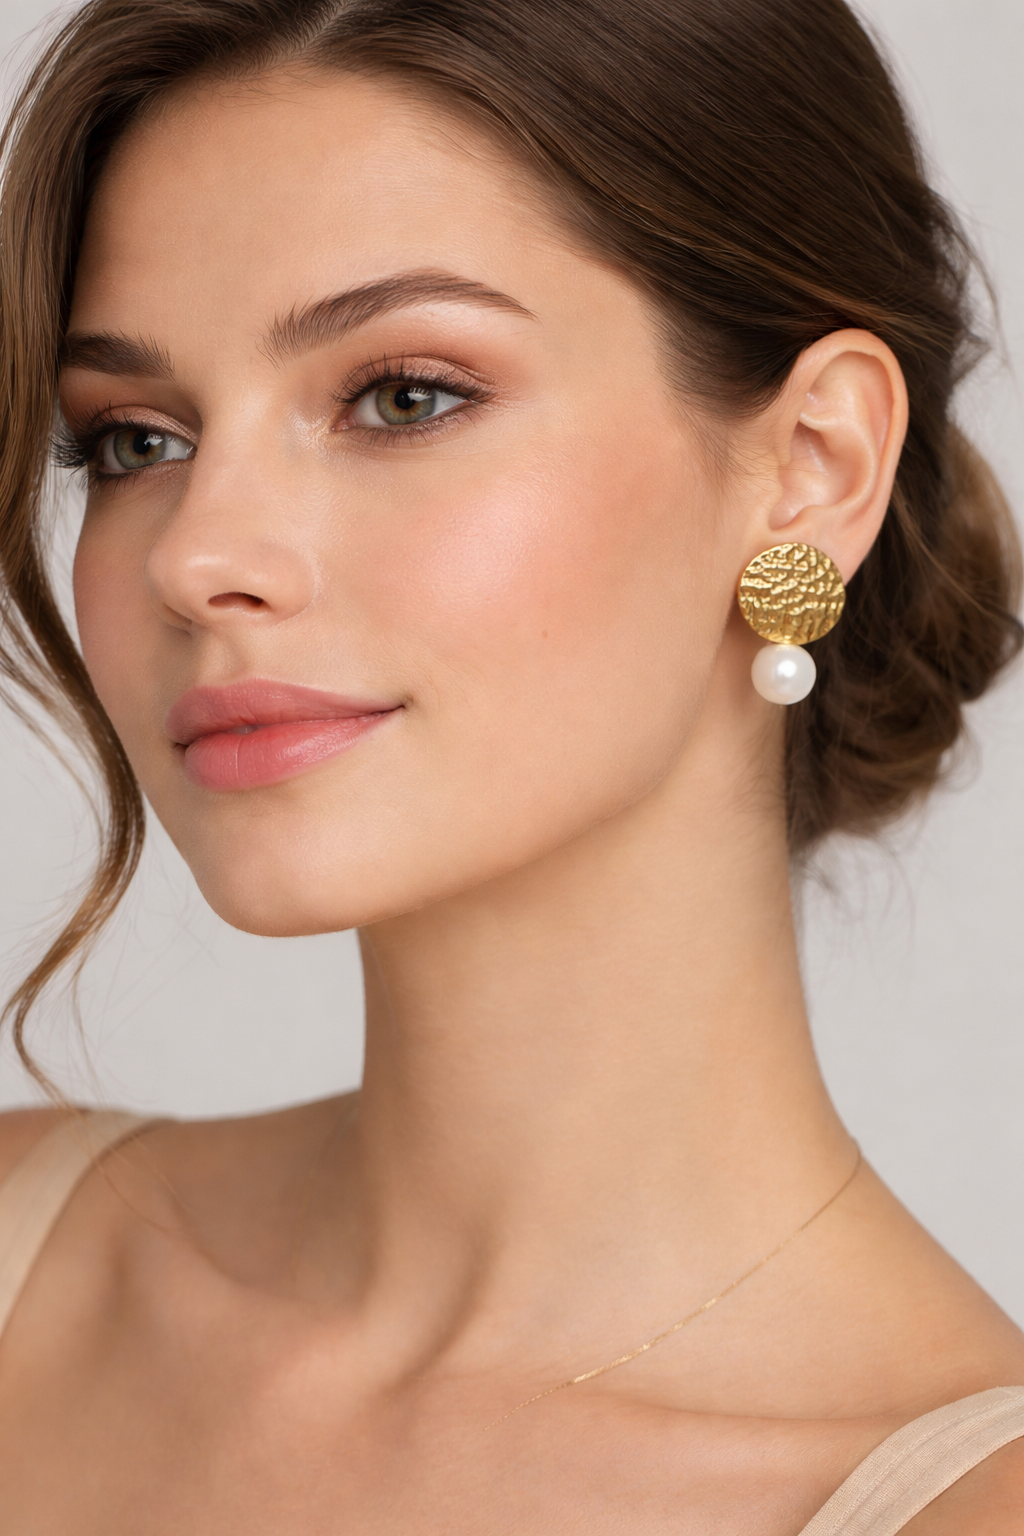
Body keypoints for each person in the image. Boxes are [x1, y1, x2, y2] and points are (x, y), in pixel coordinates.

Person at [0, 0, 1022, 1528]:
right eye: (136, 438)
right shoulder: (21, 1269)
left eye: (405, 397)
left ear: (813, 469)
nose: (197, 556)